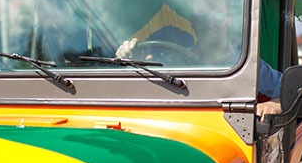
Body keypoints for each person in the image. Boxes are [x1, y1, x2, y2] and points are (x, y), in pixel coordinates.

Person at [115, 36, 282, 119]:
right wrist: (130, 60)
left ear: (230, 19)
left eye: (217, 13)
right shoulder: (176, 59)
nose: (211, 21)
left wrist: (274, 104)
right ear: (195, 23)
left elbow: (290, 90)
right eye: (203, 16)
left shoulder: (248, 64)